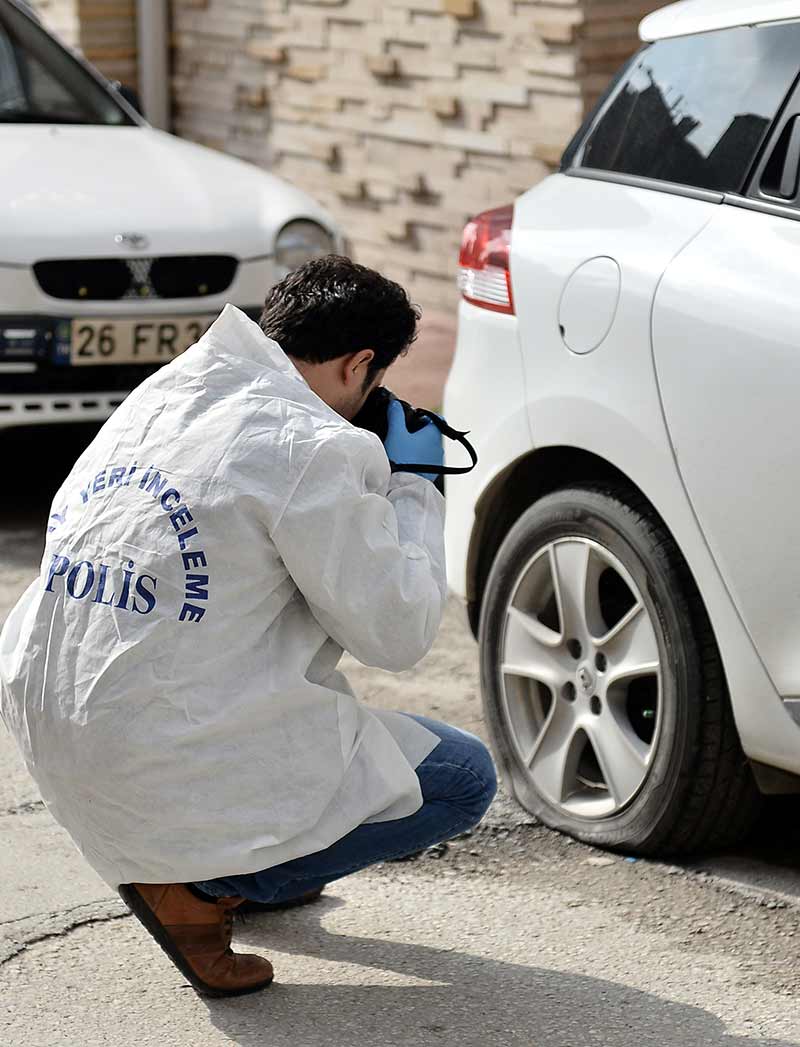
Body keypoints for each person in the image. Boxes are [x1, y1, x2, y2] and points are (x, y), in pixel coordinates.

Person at [0, 256, 497, 999]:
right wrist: (414, 488)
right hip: (155, 759)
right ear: (361, 363)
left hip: (54, 727)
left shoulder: (166, 391)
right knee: (462, 777)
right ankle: (207, 885)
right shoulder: (311, 445)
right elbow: (398, 634)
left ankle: (228, 857)